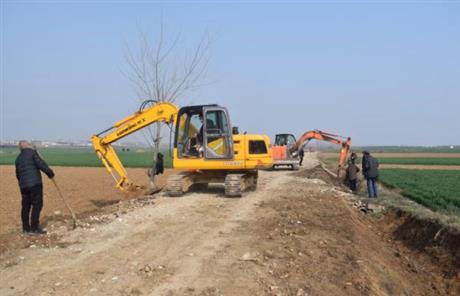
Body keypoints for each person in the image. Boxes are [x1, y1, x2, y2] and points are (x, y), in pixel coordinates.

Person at [15, 141, 55, 234]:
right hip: (35, 184)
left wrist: (22, 183)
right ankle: (34, 228)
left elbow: (17, 174)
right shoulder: (32, 153)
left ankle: (25, 229)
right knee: (37, 205)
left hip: (23, 186)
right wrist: (50, 173)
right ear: (27, 146)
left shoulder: (18, 158)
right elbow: (41, 164)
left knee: (25, 207)